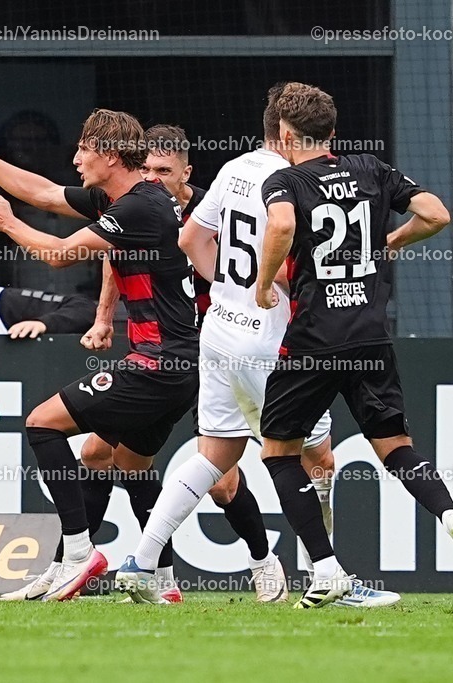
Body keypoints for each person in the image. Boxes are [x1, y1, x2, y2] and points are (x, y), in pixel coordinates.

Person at [116, 91, 400, 607]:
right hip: (272, 341)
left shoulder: (234, 168)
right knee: (314, 458)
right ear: (291, 134)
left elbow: (190, 241)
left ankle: (140, 562)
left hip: (220, 327)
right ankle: (328, 575)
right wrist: (269, 292)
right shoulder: (298, 181)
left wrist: (232, 288)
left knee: (215, 454)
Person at [252, 82, 453, 607]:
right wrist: (390, 241)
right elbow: (435, 213)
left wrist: (262, 282)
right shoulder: (372, 169)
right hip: (369, 338)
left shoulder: (285, 179)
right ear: (332, 133)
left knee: (279, 453)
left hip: (314, 341)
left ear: (287, 135)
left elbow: (280, 224)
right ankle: (452, 514)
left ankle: (325, 569)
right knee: (396, 447)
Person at [0, 109, 199, 602]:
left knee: (42, 424)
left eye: (83, 148)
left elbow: (59, 253)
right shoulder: (125, 197)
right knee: (122, 461)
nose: (75, 158)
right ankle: (161, 583)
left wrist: (8, 225)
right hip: (179, 364)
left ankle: (78, 556)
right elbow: (42, 191)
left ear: (107, 154)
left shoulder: (138, 208)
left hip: (160, 363)